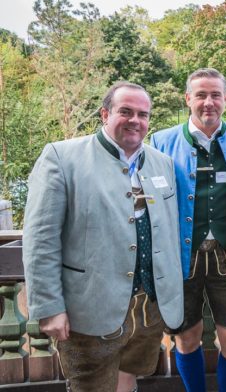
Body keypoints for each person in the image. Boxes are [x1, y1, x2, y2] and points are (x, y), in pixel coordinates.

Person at [22, 82, 184, 392]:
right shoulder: (62, 157)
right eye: (125, 111)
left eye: (142, 114)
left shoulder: (162, 163)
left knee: (129, 378)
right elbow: (40, 240)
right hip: (90, 307)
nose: (135, 120)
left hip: (148, 307)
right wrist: (48, 307)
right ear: (105, 114)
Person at [151, 68, 226, 392]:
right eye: (201, 95)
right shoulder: (161, 142)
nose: (208, 102)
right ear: (188, 99)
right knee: (186, 337)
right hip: (184, 257)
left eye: (215, 95)